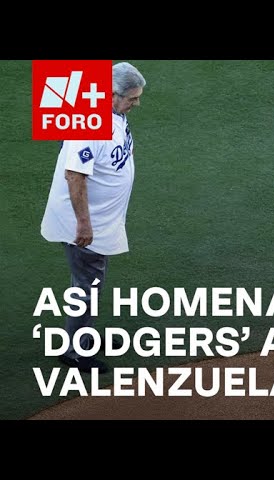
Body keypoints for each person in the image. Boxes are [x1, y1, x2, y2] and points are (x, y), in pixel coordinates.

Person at [40, 62, 147, 374]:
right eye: (131, 98)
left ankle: (83, 335)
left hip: (101, 219)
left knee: (90, 282)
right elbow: (75, 175)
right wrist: (83, 223)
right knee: (86, 285)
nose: (136, 103)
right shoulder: (89, 124)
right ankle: (75, 351)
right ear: (111, 95)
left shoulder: (112, 114)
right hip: (84, 223)